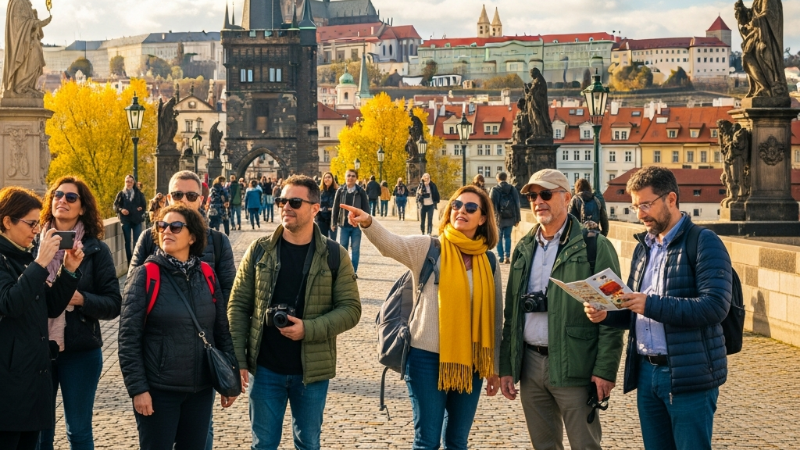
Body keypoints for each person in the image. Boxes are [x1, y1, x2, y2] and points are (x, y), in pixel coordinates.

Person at [343, 185, 502, 449]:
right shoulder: (429, 248)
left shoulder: (490, 262)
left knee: (457, 441)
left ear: (483, 218)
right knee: (426, 441)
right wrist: (368, 222)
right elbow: (392, 244)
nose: (461, 210)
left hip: (471, 361)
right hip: (425, 359)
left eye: (471, 208)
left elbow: (496, 319)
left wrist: (494, 368)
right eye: (456, 205)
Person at [584, 166, 732, 450]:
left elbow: (715, 307)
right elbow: (632, 309)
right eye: (635, 207)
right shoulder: (644, 248)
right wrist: (606, 314)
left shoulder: (704, 242)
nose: (640, 214)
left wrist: (651, 305)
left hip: (687, 373)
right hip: (647, 373)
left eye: (646, 205)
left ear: (671, 199)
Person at [228, 175, 361, 450]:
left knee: (308, 444)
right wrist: (238, 360)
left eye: (295, 202)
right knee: (263, 444)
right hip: (264, 369)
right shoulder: (259, 250)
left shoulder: (335, 255)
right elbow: (238, 306)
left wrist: (308, 329)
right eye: (281, 200)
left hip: (311, 371)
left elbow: (351, 310)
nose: (285, 207)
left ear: (315, 208)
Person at [498, 169, 624, 450]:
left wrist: (605, 370)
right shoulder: (523, 247)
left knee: (585, 446)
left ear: (566, 198)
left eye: (545, 194)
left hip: (576, 364)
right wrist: (506, 366)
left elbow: (614, 312)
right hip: (530, 364)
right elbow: (512, 315)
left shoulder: (594, 246)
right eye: (532, 196)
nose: (537, 201)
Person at [128, 170, 237, 450]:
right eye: (163, 226)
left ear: (192, 237)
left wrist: (231, 372)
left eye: (176, 228)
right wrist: (139, 388)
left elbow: (223, 321)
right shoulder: (147, 272)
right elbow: (128, 333)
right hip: (161, 382)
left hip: (199, 381)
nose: (167, 231)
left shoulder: (208, 271)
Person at [37, 177, 122, 450]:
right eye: (58, 195)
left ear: (82, 207)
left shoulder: (96, 249)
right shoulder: (32, 245)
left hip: (81, 350)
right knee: (40, 433)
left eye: (71, 197)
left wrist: (82, 299)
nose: (62, 200)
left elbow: (113, 303)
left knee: (79, 431)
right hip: (37, 349)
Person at [0, 187, 84, 450]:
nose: (36, 230)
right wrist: (40, 263)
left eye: (37, 223)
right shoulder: (6, 259)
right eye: (31, 223)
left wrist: (68, 271)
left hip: (31, 379)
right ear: (6, 221)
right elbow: (10, 303)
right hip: (8, 384)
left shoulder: (23, 258)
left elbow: (51, 306)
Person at [331, 169, 369, 277]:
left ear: (356, 178)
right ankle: (342, 271)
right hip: (343, 225)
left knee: (355, 249)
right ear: (345, 177)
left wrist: (365, 223)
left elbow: (366, 208)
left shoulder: (361, 191)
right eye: (348, 175)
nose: (350, 178)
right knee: (343, 248)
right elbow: (335, 208)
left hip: (356, 225)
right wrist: (333, 223)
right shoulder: (340, 191)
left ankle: (353, 271)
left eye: (353, 176)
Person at [114, 175, 146, 263]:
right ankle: (129, 263)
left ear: (133, 183)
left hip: (136, 220)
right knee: (127, 243)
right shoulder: (121, 194)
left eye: (131, 181)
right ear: (125, 182)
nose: (129, 183)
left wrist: (141, 209)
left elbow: (144, 206)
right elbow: (115, 206)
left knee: (137, 242)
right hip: (126, 221)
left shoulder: (139, 193)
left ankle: (137, 262)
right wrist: (121, 210)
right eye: (127, 181)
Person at [490, 172, 521, 264]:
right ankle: (507, 256)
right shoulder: (512, 189)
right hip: (510, 217)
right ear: (506, 178)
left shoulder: (494, 189)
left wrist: (492, 218)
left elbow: (491, 205)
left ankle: (500, 257)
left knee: (498, 237)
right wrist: (517, 218)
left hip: (498, 218)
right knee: (507, 236)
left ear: (497, 178)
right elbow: (517, 204)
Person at [317, 172, 338, 240]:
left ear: (332, 179)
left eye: (329, 177)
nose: (327, 179)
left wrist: (326, 209)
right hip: (321, 219)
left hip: (333, 219)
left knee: (333, 241)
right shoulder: (320, 191)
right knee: (322, 240)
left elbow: (336, 206)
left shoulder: (336, 191)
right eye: (325, 177)